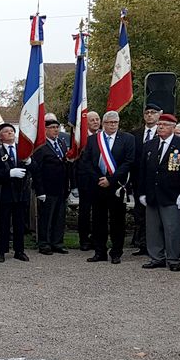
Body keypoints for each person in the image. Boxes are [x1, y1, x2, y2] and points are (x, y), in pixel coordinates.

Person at [136, 112, 180, 271]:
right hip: (152, 194)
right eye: (159, 125)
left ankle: (173, 259)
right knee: (153, 229)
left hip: (172, 195)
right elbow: (143, 171)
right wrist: (142, 192)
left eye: (165, 125)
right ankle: (156, 258)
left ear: (173, 127)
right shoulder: (150, 145)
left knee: (172, 229)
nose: (161, 127)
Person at [81, 111, 135, 264]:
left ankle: (116, 252)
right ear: (103, 124)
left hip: (117, 186)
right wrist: (99, 179)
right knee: (98, 221)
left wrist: (111, 180)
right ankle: (100, 252)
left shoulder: (127, 139)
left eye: (115, 122)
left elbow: (129, 162)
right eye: (109, 122)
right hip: (98, 185)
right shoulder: (93, 140)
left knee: (117, 221)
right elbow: (86, 162)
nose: (112, 125)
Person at [0, 122, 31, 262]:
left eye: (12, 131)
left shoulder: (23, 150)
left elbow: (34, 169)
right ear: (0, 137)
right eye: (6, 131)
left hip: (20, 192)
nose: (10, 133)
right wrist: (9, 173)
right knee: (3, 223)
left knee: (20, 223)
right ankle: (1, 251)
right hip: (4, 192)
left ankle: (19, 250)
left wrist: (30, 162)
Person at [31, 117, 71, 256]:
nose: (55, 130)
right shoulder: (41, 146)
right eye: (52, 128)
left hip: (61, 187)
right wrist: (40, 190)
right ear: (45, 130)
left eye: (57, 127)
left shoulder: (61, 143)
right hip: (47, 188)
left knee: (59, 217)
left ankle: (57, 243)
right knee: (46, 217)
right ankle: (44, 243)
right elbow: (37, 170)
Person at [130, 102, 162, 255]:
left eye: (153, 112)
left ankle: (157, 245)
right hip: (138, 180)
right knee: (140, 214)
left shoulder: (162, 133)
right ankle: (143, 244)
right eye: (147, 113)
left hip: (157, 181)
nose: (149, 115)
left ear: (159, 115)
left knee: (156, 214)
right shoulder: (135, 134)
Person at [75, 110, 101, 251]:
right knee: (85, 211)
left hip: (100, 180)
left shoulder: (103, 136)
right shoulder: (80, 138)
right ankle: (84, 240)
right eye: (92, 120)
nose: (96, 122)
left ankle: (97, 239)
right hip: (85, 180)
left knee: (99, 211)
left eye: (97, 119)